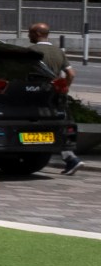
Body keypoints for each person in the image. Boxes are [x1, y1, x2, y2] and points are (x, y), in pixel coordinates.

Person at [24, 23, 83, 176]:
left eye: (30, 32)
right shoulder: (58, 52)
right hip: (55, 94)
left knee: (35, 126)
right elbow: (71, 74)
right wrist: (65, 88)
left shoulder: (31, 51)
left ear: (37, 33)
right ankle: (70, 157)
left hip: (35, 94)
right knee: (57, 124)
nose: (28, 35)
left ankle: (69, 158)